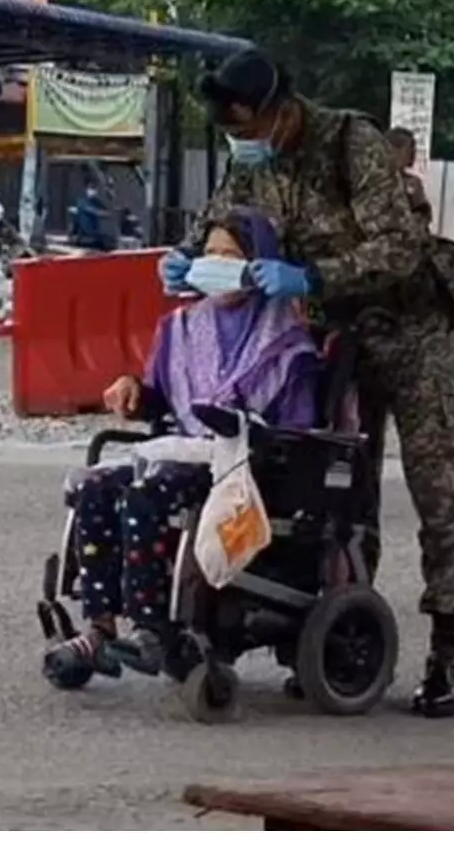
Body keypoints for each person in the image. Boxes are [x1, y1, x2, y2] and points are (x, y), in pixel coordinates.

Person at [161, 48, 454, 718]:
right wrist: (186, 262)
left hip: (414, 331)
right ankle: (336, 633)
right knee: (339, 494)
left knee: (440, 489)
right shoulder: (251, 158)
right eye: (233, 133)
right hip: (338, 341)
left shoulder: (350, 143)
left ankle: (448, 653)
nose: (242, 143)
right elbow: (214, 227)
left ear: (282, 111)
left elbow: (399, 246)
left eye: (250, 129)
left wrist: (312, 278)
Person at [43, 207, 323, 686]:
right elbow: (161, 399)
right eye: (209, 253)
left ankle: (152, 627)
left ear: (260, 265)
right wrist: (133, 391)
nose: (216, 263)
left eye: (231, 256)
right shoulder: (181, 327)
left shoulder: (287, 343)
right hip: (179, 448)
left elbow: (297, 426)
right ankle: (99, 628)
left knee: (146, 495)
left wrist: (238, 427)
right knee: (93, 487)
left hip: (240, 461)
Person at [388, 126, 433, 228]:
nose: (414, 153)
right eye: (410, 148)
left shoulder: (413, 182)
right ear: (394, 150)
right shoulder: (376, 179)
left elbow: (425, 215)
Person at [74, 182, 115, 251]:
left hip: (95, 233)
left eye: (95, 189)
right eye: (91, 188)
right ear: (86, 189)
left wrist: (111, 204)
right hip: (85, 234)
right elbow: (94, 211)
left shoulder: (95, 201)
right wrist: (105, 213)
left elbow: (105, 208)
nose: (93, 191)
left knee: (110, 241)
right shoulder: (82, 201)